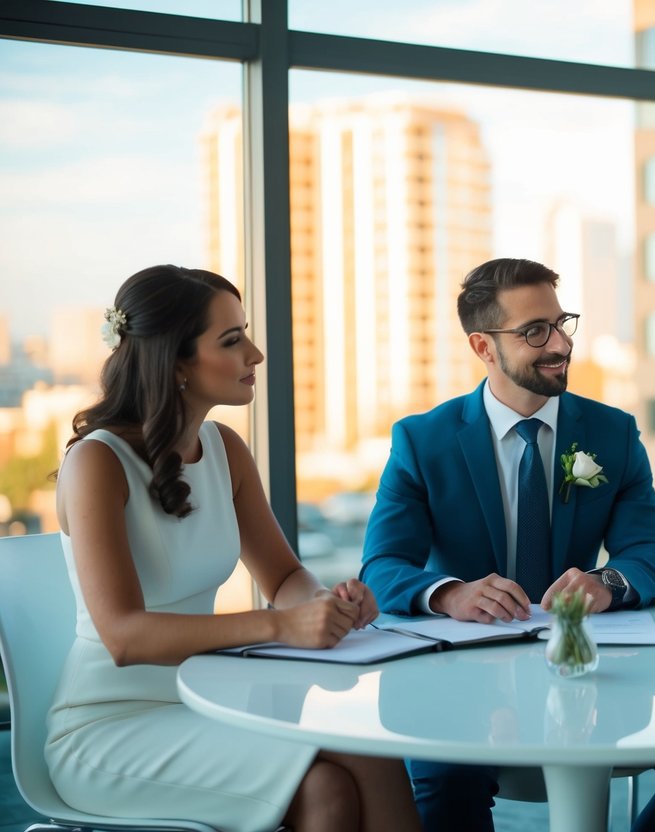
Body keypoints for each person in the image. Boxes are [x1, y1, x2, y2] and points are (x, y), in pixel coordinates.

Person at [361, 257, 655, 832]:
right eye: (535, 331)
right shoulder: (422, 440)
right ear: (484, 347)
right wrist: (450, 594)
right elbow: (382, 566)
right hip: (464, 675)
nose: (560, 343)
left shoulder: (612, 433)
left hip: (590, 669)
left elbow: (653, 557)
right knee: (445, 782)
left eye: (562, 324)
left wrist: (607, 583)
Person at [48, 265, 422, 832]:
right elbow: (123, 637)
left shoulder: (224, 448)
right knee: (343, 771)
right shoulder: (97, 462)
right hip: (106, 729)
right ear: (176, 363)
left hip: (204, 701)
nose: (255, 354)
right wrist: (279, 626)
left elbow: (284, 578)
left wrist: (324, 604)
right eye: (231, 340)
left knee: (347, 769)